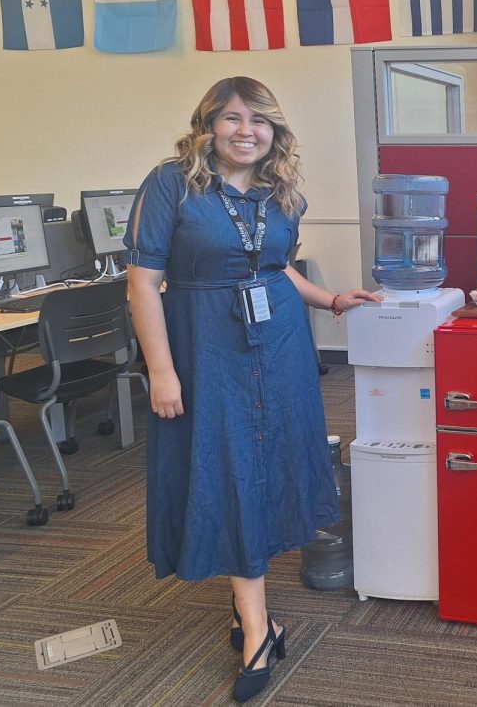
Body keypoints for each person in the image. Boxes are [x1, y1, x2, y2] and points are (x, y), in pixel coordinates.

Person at [124, 77, 382, 702]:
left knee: (271, 462)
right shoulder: (171, 184)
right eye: (233, 118)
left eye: (260, 119)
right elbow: (142, 281)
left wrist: (332, 300)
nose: (247, 130)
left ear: (275, 130)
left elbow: (277, 267)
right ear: (207, 125)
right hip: (206, 347)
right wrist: (161, 370)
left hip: (282, 347)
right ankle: (259, 627)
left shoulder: (279, 190)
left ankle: (252, 612)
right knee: (228, 467)